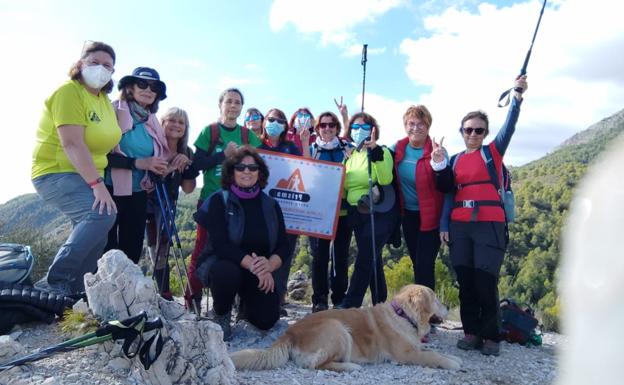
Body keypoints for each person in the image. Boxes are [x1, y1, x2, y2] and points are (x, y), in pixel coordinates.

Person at [432, 76, 528, 356]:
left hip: (490, 225)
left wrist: (517, 97)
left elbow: (510, 127)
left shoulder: (493, 153)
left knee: (486, 281)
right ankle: (471, 331)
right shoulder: (455, 160)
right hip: (460, 226)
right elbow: (448, 193)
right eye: (468, 130)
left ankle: (491, 336)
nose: (473, 134)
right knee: (466, 280)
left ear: (486, 133)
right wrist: (443, 225)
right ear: (461, 132)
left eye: (479, 130)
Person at [31, 41, 120, 296]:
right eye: (94, 63)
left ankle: (76, 294)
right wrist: (97, 185)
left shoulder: (103, 99)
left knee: (98, 234)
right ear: (80, 64)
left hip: (87, 173)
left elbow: (105, 137)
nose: (101, 69)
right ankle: (53, 282)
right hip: (56, 171)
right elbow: (72, 143)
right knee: (102, 215)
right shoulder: (69, 92)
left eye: (107, 66)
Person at [193, 146, 288, 340]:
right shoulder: (219, 200)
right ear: (231, 171)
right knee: (226, 272)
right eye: (240, 167)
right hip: (225, 265)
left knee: (267, 320)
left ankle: (245, 307)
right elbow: (221, 245)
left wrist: (269, 265)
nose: (247, 171)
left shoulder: (271, 205)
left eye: (253, 168)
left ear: (260, 173)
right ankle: (221, 313)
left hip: (258, 270)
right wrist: (257, 267)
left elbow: (283, 245)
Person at [187, 88, 262, 311]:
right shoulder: (209, 132)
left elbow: (262, 165)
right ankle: (193, 297)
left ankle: (239, 299)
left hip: (241, 202)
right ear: (220, 105)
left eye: (237, 102)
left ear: (241, 107)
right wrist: (223, 155)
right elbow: (196, 165)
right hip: (211, 200)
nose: (233, 106)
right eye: (228, 101)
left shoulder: (249, 136)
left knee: (242, 248)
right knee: (202, 248)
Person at [103, 67, 170, 265]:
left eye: (154, 87)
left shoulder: (152, 121)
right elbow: (99, 155)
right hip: (108, 190)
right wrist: (139, 163)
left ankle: (127, 295)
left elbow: (157, 155)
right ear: (130, 88)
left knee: (131, 250)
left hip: (138, 191)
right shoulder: (112, 111)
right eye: (142, 84)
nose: (149, 89)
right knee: (106, 249)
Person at [339, 112, 398, 308]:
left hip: (378, 214)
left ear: (373, 131)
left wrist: (376, 153)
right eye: (355, 128)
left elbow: (385, 179)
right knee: (373, 258)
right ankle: (380, 303)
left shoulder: (382, 151)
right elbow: (345, 187)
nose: (359, 131)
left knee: (365, 257)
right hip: (357, 213)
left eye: (364, 127)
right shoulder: (351, 156)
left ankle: (351, 303)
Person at [145, 107, 197, 300]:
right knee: (152, 248)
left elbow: (189, 188)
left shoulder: (187, 152)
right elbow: (145, 181)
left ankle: (164, 293)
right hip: (145, 203)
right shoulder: (152, 146)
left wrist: (188, 169)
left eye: (181, 122)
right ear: (162, 123)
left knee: (163, 248)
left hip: (168, 204)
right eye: (171, 120)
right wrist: (170, 168)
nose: (176, 125)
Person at [389, 105, 443, 292]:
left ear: (428, 126)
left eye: (421, 124)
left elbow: (446, 185)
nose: (416, 128)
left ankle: (427, 310)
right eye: (411, 123)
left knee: (425, 264)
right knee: (416, 261)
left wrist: (439, 163)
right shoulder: (397, 148)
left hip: (431, 218)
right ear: (405, 126)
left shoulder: (436, 151)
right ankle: (422, 308)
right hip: (408, 215)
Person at [306, 111, 354, 312]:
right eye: (323, 125)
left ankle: (339, 298)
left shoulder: (346, 148)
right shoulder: (312, 149)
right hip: (318, 212)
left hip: (343, 210)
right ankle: (319, 300)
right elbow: (304, 171)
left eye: (331, 125)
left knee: (341, 256)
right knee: (319, 257)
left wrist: (346, 116)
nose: (327, 128)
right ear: (317, 128)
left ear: (337, 128)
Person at [258, 108, 302, 315]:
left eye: (279, 121)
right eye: (270, 119)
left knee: (282, 257)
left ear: (285, 126)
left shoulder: (291, 148)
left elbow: (305, 171)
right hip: (258, 211)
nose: (274, 123)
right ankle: (249, 302)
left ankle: (277, 300)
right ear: (264, 122)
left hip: (287, 213)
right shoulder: (256, 146)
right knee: (257, 254)